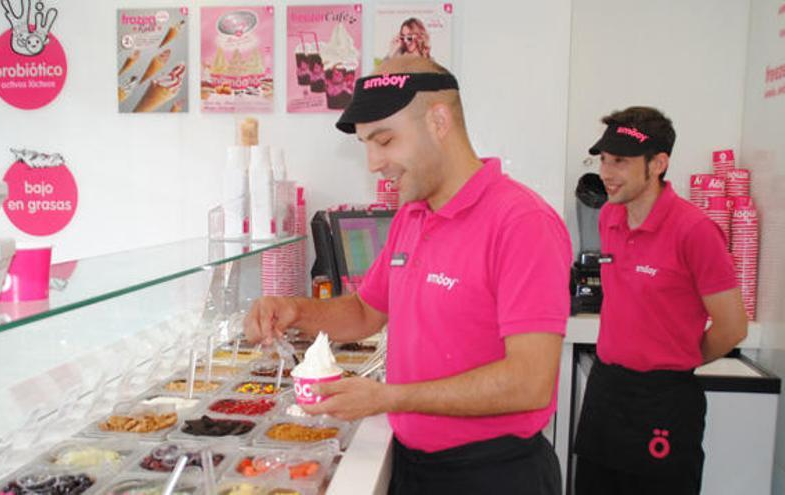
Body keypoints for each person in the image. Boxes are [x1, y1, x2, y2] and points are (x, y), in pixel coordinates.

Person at [246, 56, 571, 494]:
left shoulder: (522, 222)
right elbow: (365, 312)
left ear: (439, 121)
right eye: (366, 145)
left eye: (384, 140)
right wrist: (293, 309)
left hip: (494, 474)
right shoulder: (412, 216)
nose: (374, 163)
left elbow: (530, 383)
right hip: (415, 468)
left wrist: (390, 396)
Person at [573, 107, 748, 495]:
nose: (606, 172)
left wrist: (678, 356)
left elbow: (732, 326)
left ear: (658, 163)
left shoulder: (696, 231)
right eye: (603, 159)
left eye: (620, 160)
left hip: (663, 401)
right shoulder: (609, 217)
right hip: (606, 392)